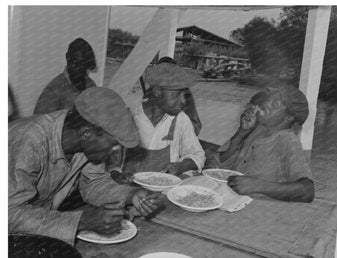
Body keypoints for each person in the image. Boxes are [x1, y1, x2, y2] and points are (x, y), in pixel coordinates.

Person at [9, 87, 163, 245]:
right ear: (86, 133)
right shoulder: (27, 142)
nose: (114, 153)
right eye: (114, 145)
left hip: (35, 232)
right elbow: (9, 215)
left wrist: (131, 195)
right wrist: (82, 221)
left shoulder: (85, 145)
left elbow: (93, 184)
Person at [208, 84, 314, 203]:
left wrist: (257, 185)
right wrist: (241, 133)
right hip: (230, 197)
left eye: (273, 104)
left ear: (288, 117)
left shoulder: (288, 141)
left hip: (259, 206)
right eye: (268, 100)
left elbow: (308, 191)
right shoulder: (257, 130)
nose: (265, 104)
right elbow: (216, 163)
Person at [112, 62, 205, 181]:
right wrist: (117, 175)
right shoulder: (130, 116)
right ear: (157, 91)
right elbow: (111, 161)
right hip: (131, 189)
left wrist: (180, 166)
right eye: (177, 94)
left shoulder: (181, 119)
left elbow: (198, 155)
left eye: (184, 95)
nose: (183, 101)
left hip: (165, 187)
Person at [33, 38, 97, 114]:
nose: (78, 67)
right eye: (75, 61)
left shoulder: (91, 86)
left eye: (82, 63)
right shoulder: (54, 90)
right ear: (67, 58)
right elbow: (40, 123)